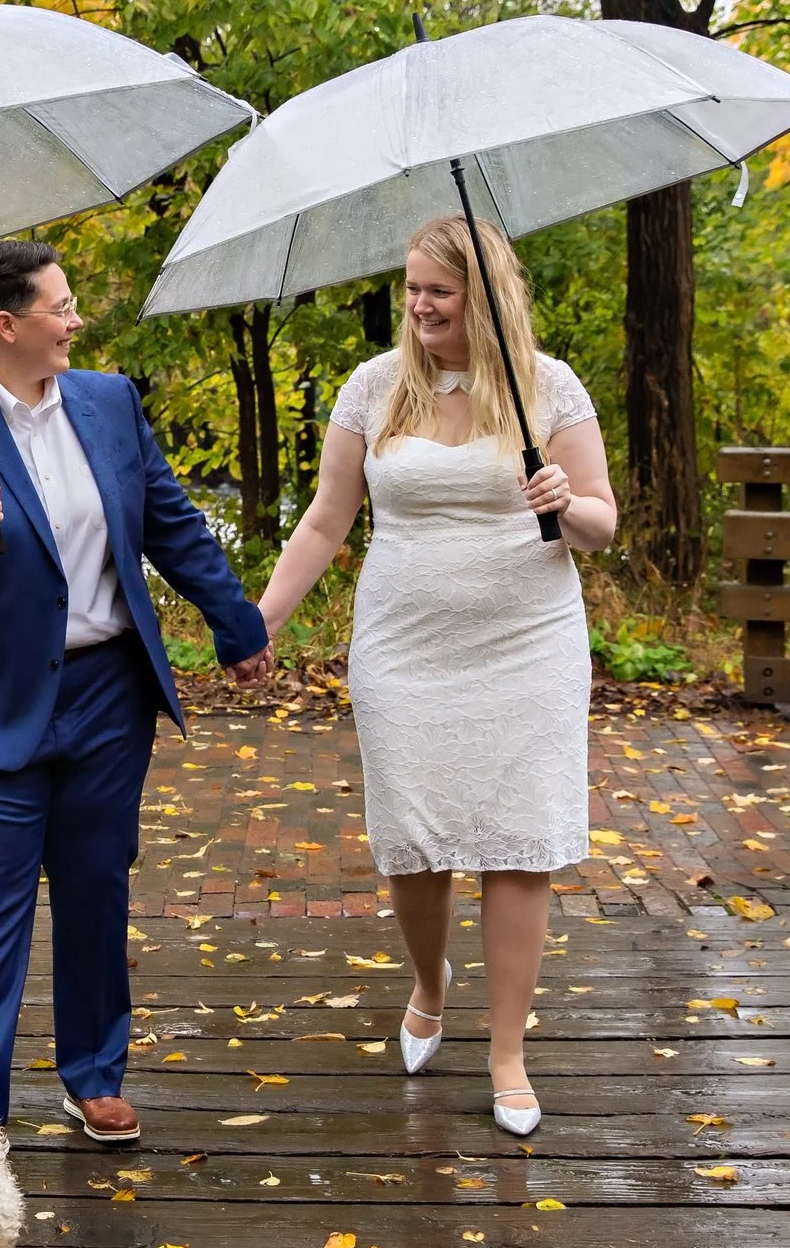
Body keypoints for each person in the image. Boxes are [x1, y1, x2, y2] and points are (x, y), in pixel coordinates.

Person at [0, 240, 273, 1174]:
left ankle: (94, 1071)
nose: (76, 320)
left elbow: (171, 521)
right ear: (7, 325)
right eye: (60, 307)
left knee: (98, 887)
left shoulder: (108, 401)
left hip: (104, 695)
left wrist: (237, 622)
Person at [255, 215, 616, 1137]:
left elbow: (603, 525)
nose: (419, 305)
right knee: (414, 844)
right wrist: (258, 620)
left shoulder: (549, 388)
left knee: (518, 844)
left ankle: (506, 1051)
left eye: (439, 291)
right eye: (412, 287)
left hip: (527, 645)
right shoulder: (374, 387)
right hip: (406, 647)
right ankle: (429, 978)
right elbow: (325, 523)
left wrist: (563, 502)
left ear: (486, 296)